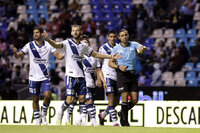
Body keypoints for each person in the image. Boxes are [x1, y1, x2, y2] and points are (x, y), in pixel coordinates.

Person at [42, 25, 121, 125]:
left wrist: (110, 56)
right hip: (71, 76)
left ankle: (82, 120)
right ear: (71, 33)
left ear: (80, 32)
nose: (75, 32)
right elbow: (57, 45)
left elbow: (95, 54)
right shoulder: (67, 43)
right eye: (73, 30)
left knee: (83, 98)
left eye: (77, 31)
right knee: (70, 99)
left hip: (82, 77)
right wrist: (48, 39)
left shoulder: (84, 46)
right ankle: (61, 111)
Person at [11, 27, 65, 125]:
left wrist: (67, 53)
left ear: (41, 34)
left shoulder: (48, 45)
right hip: (33, 77)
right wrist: (15, 51)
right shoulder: (29, 45)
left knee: (48, 96)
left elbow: (59, 56)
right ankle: (37, 120)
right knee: (35, 99)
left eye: (37, 32)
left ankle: (43, 115)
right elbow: (18, 56)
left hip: (45, 77)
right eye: (34, 33)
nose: (35, 34)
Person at [109, 29, 147, 126]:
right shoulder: (116, 49)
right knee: (124, 97)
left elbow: (142, 48)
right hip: (122, 75)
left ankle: (122, 113)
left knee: (135, 100)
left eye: (126, 35)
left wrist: (143, 49)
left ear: (128, 35)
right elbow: (110, 63)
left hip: (133, 75)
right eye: (122, 35)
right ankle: (125, 122)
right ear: (119, 37)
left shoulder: (133, 44)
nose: (124, 37)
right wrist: (119, 67)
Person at [65, 35, 105, 126]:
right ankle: (92, 121)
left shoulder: (94, 56)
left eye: (86, 42)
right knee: (87, 101)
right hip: (82, 82)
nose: (84, 44)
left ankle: (79, 120)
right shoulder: (78, 57)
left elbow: (98, 69)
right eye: (83, 42)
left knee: (85, 102)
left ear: (89, 45)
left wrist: (100, 80)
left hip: (92, 83)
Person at [97, 30, 120, 126]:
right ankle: (115, 121)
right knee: (110, 97)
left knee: (116, 101)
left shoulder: (119, 48)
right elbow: (98, 63)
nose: (113, 38)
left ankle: (103, 115)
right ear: (107, 37)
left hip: (117, 76)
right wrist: (99, 78)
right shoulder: (103, 48)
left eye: (114, 37)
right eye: (111, 36)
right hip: (107, 75)